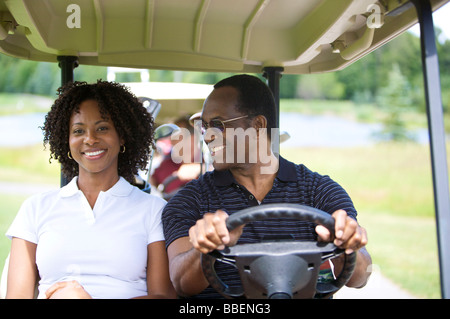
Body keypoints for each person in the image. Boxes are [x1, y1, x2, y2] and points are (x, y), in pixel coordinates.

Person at [162, 74, 372, 298]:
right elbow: (181, 284)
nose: (207, 137)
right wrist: (205, 249)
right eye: (204, 127)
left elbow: (360, 277)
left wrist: (346, 248)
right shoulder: (189, 200)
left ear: (258, 125)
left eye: (217, 125)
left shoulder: (320, 191)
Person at [5, 80, 176, 299]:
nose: (90, 139)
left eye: (102, 128)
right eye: (78, 130)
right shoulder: (35, 208)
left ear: (122, 135)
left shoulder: (154, 210)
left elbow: (163, 297)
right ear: (66, 140)